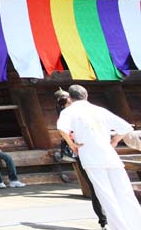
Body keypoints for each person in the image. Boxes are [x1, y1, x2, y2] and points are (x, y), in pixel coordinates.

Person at [56, 85, 141, 230]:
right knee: (125, 192)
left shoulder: (69, 111)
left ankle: (120, 227)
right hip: (109, 155)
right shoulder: (99, 110)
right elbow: (126, 127)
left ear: (70, 98)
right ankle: (136, 225)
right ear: (86, 95)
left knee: (106, 195)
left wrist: (72, 145)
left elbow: (61, 128)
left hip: (90, 156)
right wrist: (114, 141)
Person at [55, 89, 106, 228]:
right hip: (84, 153)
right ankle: (103, 220)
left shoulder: (86, 112)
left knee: (100, 186)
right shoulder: (66, 114)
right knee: (95, 186)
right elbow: (64, 131)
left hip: (98, 152)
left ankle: (106, 219)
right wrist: (72, 144)